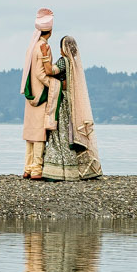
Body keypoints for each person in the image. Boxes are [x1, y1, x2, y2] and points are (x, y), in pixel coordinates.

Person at [37, 35, 103, 180]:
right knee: (70, 134)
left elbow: (49, 71)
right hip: (71, 101)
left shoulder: (64, 61)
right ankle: (84, 169)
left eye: (60, 47)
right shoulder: (75, 64)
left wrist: (44, 55)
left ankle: (58, 171)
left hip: (62, 101)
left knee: (60, 134)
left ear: (63, 49)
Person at [21, 8, 62, 179]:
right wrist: (55, 84)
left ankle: (27, 167)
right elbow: (40, 73)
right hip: (41, 94)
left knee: (30, 132)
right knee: (39, 133)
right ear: (50, 31)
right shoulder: (44, 46)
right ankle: (36, 168)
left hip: (31, 93)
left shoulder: (32, 46)